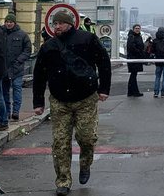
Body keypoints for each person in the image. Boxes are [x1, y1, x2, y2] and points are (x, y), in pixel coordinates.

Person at [33, 11, 111, 194]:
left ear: (69, 24)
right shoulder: (49, 47)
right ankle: (63, 181)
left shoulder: (87, 39)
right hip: (60, 101)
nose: (57, 27)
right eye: (54, 24)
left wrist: (104, 89)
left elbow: (103, 62)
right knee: (60, 142)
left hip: (86, 99)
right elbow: (39, 74)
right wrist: (38, 102)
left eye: (60, 23)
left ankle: (85, 164)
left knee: (87, 138)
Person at [2, 13, 31, 121]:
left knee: (17, 89)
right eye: (7, 22)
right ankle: (6, 112)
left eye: (10, 22)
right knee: (4, 91)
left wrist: (19, 61)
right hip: (4, 68)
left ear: (14, 23)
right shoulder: (1, 33)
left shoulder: (22, 35)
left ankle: (16, 111)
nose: (8, 24)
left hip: (17, 68)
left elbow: (27, 50)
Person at [126, 24, 146, 97]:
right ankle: (134, 92)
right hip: (133, 58)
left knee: (133, 75)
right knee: (133, 75)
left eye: (138, 28)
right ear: (133, 29)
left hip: (137, 58)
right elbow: (131, 47)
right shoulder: (131, 37)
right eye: (136, 28)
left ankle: (131, 91)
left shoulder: (139, 36)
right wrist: (139, 52)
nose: (137, 29)